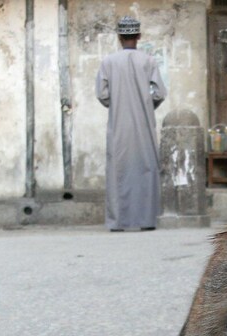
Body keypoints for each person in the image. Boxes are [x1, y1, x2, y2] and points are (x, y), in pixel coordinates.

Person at [96, 16, 167, 232]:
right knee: (146, 168)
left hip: (118, 125)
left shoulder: (108, 62)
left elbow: (102, 94)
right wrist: (145, 105)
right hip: (144, 125)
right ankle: (147, 220)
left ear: (119, 37)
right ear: (138, 36)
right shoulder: (149, 61)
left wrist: (117, 103)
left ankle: (118, 222)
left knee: (118, 170)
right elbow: (160, 92)